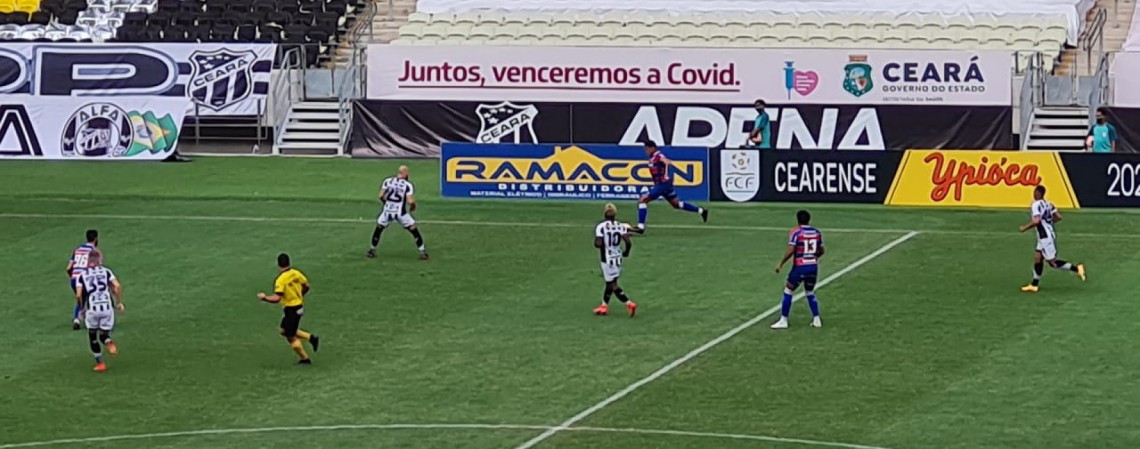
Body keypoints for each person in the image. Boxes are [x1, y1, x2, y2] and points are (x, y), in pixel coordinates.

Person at [1019, 185, 1085, 292]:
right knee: (1038, 258)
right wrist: (1048, 223)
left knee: (1052, 263)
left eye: (1035, 192)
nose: (1034, 194)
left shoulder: (1036, 204)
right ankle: (1034, 285)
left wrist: (1024, 228)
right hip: (1046, 235)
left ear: (1038, 193)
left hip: (1045, 237)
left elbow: (1036, 221)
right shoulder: (1049, 204)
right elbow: (1058, 217)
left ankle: (1077, 268)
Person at [633, 140, 708, 233]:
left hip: (662, 185)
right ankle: (701, 211)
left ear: (652, 148)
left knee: (642, 200)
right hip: (665, 185)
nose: (646, 151)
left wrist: (666, 161)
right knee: (676, 204)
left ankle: (640, 227)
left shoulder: (658, 155)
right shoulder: (653, 157)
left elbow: (665, 160)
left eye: (647, 148)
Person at [258, 254, 321, 365]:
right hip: (298, 306)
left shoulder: (281, 280)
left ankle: (305, 359)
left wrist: (265, 298)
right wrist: (300, 295)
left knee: (290, 336)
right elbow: (306, 286)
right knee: (283, 330)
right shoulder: (296, 273)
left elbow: (277, 298)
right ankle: (311, 338)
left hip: (292, 310)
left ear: (278, 264)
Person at [772, 210, 824, 329]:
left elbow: (791, 249)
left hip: (800, 267)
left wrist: (781, 263)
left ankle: (783, 320)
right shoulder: (816, 232)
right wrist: (812, 257)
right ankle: (817, 319)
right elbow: (821, 250)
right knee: (809, 292)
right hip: (813, 267)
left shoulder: (796, 232)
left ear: (797, 220)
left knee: (788, 290)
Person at [74, 250, 123, 372]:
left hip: (92, 310)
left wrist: (81, 308)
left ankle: (101, 364)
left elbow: (78, 295)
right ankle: (108, 342)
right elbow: (117, 286)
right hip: (107, 308)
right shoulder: (106, 271)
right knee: (103, 334)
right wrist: (119, 302)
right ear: (99, 260)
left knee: (93, 337)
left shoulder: (82, 275)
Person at [367, 165, 428, 260]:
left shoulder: (388, 181)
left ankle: (371, 250)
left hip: (387, 211)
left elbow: (380, 195)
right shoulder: (407, 185)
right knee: (414, 230)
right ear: (406, 173)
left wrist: (386, 203)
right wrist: (413, 207)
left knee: (379, 228)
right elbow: (410, 201)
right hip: (400, 213)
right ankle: (422, 252)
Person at [593, 203, 637, 317]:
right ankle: (604, 306)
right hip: (617, 257)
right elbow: (628, 241)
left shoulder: (601, 226)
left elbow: (598, 243)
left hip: (607, 258)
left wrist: (599, 243)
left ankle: (629, 303)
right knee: (611, 282)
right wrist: (626, 252)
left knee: (612, 285)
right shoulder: (620, 225)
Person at [66, 229, 99, 330]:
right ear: (96, 239)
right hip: (86, 278)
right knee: (92, 298)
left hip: (74, 279)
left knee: (80, 299)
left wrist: (72, 277)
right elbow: (96, 268)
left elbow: (68, 268)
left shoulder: (77, 250)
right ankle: (91, 320)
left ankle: (77, 319)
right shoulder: (94, 252)